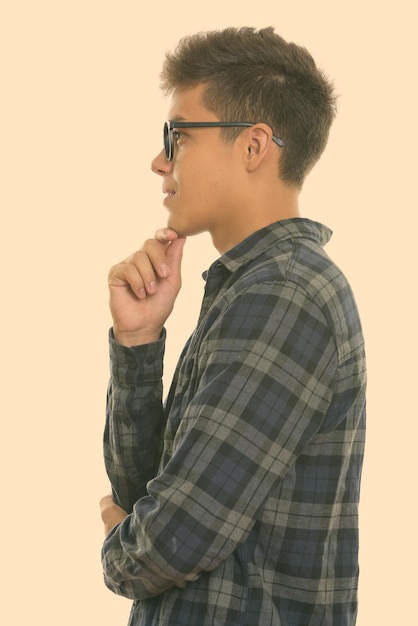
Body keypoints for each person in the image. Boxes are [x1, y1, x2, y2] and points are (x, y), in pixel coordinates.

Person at [99, 26, 366, 626]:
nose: (159, 161)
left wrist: (119, 544)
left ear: (253, 147)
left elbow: (166, 543)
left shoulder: (284, 295)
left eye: (177, 136)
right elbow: (147, 489)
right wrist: (138, 341)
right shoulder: (252, 289)